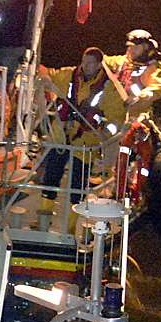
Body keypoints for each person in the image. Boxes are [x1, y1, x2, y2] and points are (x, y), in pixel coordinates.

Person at [38, 47, 126, 215]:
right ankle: (43, 216)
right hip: (61, 138)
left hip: (86, 142)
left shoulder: (110, 88)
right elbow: (46, 72)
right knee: (51, 177)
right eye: (84, 61)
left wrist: (106, 133)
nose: (85, 66)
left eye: (90, 63)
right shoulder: (68, 75)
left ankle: (71, 226)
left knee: (77, 185)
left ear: (100, 64)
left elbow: (116, 119)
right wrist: (44, 77)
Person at [104, 29, 161, 119]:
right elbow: (104, 61)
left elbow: (155, 89)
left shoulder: (154, 67)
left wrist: (140, 96)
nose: (131, 50)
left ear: (146, 47)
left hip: (135, 116)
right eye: (130, 47)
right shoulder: (123, 61)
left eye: (136, 47)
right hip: (111, 113)